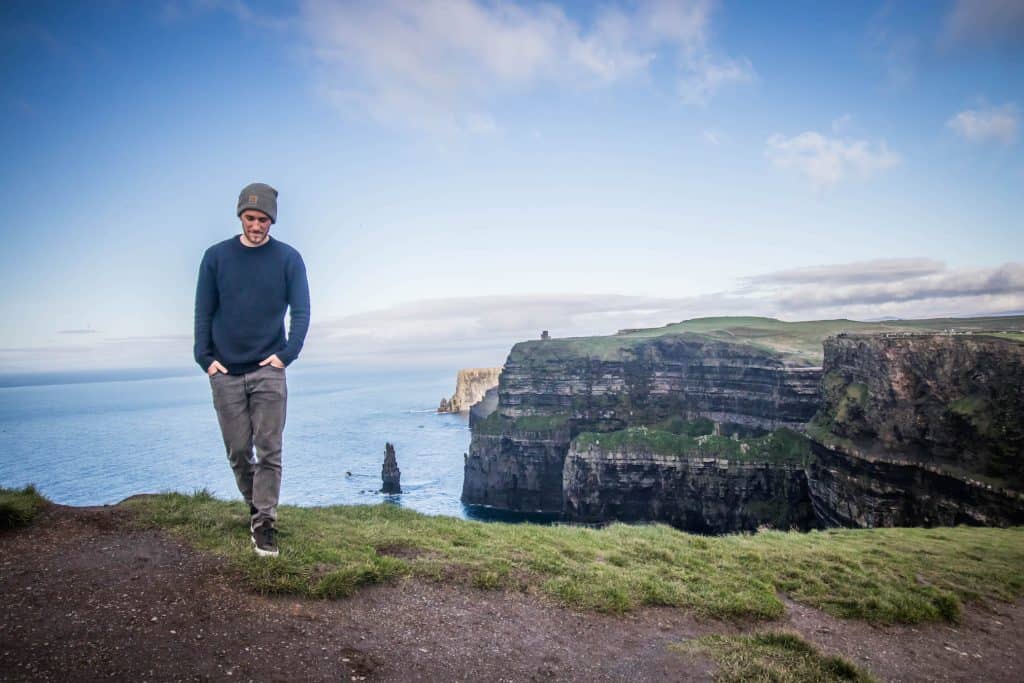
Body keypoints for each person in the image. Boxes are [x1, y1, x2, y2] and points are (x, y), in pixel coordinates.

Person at [193, 182, 310, 557]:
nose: (256, 225)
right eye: (250, 218)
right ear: (240, 216)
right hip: (224, 371)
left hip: (268, 370)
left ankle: (264, 524)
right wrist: (204, 357)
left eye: (262, 219)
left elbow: (302, 312)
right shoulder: (215, 257)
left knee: (269, 449)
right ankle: (255, 506)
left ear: (272, 220)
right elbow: (204, 311)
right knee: (239, 451)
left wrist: (286, 355)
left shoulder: (289, 259)